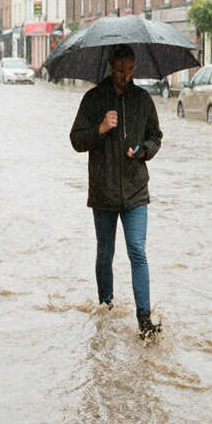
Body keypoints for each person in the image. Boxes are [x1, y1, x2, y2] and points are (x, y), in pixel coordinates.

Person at [69, 44, 163, 337]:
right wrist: (100, 128)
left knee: (138, 251)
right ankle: (105, 306)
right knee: (105, 252)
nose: (126, 75)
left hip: (136, 190)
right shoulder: (93, 99)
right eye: (121, 70)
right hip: (104, 191)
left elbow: (156, 136)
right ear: (110, 66)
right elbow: (76, 140)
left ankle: (144, 320)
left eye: (131, 69)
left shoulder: (143, 99)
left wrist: (143, 150)